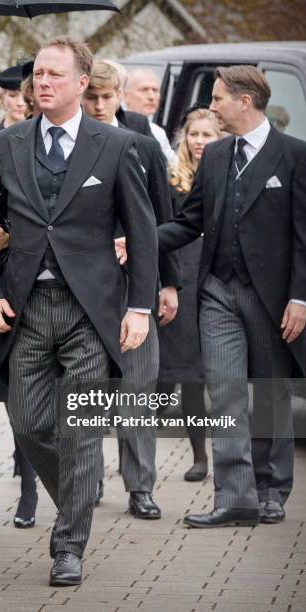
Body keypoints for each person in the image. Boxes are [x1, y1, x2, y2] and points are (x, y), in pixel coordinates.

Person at [0, 37, 158, 586]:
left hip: (91, 311)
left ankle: (68, 545)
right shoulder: (4, 145)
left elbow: (144, 233)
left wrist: (141, 308)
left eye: (55, 73)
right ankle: (81, 489)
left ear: (83, 82)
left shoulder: (118, 144)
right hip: (26, 308)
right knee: (29, 423)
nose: (42, 82)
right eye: (37, 74)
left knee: (80, 431)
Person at [158, 65, 306, 527]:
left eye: (219, 98)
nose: (213, 105)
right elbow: (189, 221)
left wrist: (300, 299)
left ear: (245, 101)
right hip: (218, 291)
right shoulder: (217, 155)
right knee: (223, 394)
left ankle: (271, 489)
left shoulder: (295, 156)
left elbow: (305, 238)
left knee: (267, 395)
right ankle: (235, 499)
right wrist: (139, 240)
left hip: (272, 297)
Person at [82, 59, 180, 518]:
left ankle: (141, 487)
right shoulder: (66, 148)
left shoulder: (143, 146)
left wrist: (170, 283)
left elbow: (166, 219)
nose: (100, 106)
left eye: (108, 96)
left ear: (120, 94)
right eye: (92, 97)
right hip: (83, 284)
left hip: (136, 283)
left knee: (138, 388)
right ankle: (87, 481)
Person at [0, 64, 38, 530]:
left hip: (66, 286)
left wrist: (13, 235)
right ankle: (29, 485)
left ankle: (74, 471)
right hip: (15, 288)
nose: (24, 103)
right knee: (22, 393)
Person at [158, 106, 223, 482]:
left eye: (207, 135)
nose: (199, 142)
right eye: (194, 135)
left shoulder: (226, 175)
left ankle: (206, 456)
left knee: (199, 373)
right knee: (179, 371)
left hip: (212, 278)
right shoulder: (172, 181)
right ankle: (197, 455)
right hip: (180, 277)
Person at [124, 68, 177, 164]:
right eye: (144, 89)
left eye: (155, 90)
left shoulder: (158, 132)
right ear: (125, 96)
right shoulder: (114, 125)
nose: (151, 97)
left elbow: (172, 167)